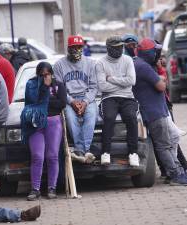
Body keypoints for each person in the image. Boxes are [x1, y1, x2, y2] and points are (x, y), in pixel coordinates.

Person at [132, 38, 187, 186]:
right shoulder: (142, 66)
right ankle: (175, 175)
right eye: (155, 51)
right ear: (149, 53)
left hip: (158, 111)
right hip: (154, 113)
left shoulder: (143, 64)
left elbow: (161, 82)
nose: (158, 54)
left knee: (169, 143)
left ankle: (179, 172)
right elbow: (161, 86)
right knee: (164, 146)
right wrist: (161, 76)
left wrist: (160, 75)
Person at [152, 40, 187, 180]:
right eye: (157, 52)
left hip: (165, 104)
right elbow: (160, 84)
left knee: (171, 139)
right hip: (157, 108)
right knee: (167, 140)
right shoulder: (146, 65)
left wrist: (161, 69)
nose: (160, 56)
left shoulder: (157, 64)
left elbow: (164, 82)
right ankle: (178, 169)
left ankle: (178, 168)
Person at [24, 62, 67, 201]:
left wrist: (46, 101)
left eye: (47, 75)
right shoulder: (31, 85)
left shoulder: (59, 84)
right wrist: (45, 89)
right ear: (37, 75)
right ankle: (35, 189)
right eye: (41, 75)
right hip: (35, 124)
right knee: (37, 156)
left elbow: (62, 103)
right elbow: (32, 102)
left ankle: (52, 188)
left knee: (53, 156)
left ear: (51, 74)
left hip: (53, 122)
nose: (44, 77)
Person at [53, 35, 98, 164]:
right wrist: (71, 101)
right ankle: (84, 150)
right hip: (68, 99)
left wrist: (85, 102)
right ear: (68, 48)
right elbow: (58, 89)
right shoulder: (59, 65)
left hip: (86, 98)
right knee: (70, 118)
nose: (77, 50)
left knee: (91, 116)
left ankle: (80, 151)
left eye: (79, 47)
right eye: (74, 47)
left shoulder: (90, 63)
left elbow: (94, 87)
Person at [96, 35, 139, 166]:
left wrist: (111, 79)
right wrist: (122, 82)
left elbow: (132, 81)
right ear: (108, 48)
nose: (119, 49)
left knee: (131, 117)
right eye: (116, 47)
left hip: (127, 97)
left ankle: (133, 153)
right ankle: (105, 152)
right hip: (109, 97)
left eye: (121, 47)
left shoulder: (128, 60)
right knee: (109, 117)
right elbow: (102, 86)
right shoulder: (100, 63)